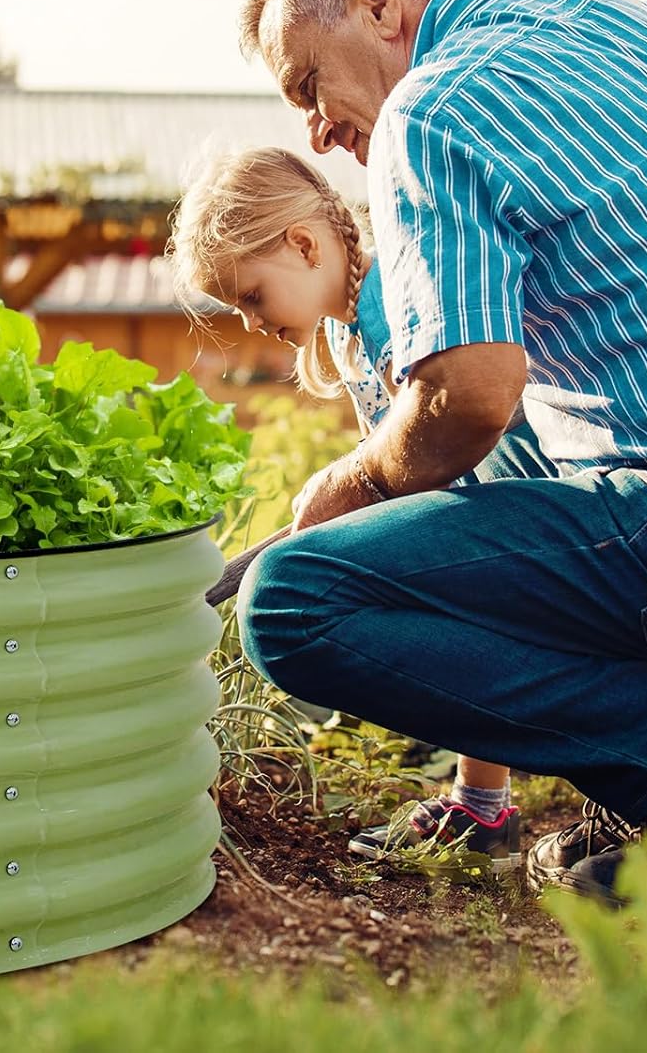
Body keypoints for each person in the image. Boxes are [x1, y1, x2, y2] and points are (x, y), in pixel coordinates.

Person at [231, 0, 647, 903]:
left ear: (376, 1)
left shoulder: (434, 106)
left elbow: (468, 396)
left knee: (295, 598)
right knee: (521, 477)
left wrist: (356, 480)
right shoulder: (631, 26)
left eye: (307, 82)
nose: (312, 126)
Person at [173, 145, 523, 874]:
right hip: (464, 515)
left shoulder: (393, 308)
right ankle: (482, 807)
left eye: (253, 298)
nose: (253, 322)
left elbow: (447, 454)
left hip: (505, 510)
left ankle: (496, 798)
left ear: (303, 245)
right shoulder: (346, 325)